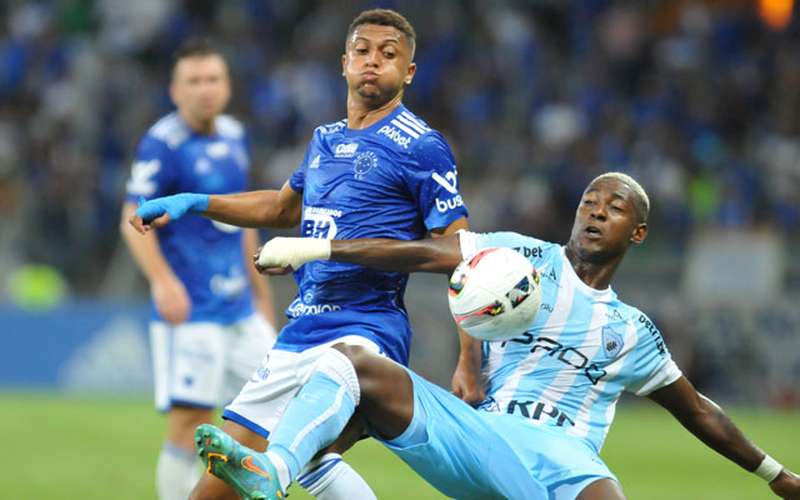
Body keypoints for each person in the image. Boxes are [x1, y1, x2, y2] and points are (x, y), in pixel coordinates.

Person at [193, 172, 800, 500]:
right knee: (352, 362)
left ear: (636, 233)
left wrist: (775, 475)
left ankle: (317, 465)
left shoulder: (632, 331)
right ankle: (277, 467)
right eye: (589, 200)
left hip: (568, 467)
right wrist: (317, 245)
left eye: (612, 207)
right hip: (485, 437)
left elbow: (699, 412)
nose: (594, 210)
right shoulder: (520, 256)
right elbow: (423, 252)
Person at [130, 9, 475, 500]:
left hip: (364, 332)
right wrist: (196, 203)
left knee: (302, 453)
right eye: (362, 51)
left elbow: (460, 252)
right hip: (302, 330)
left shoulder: (422, 146)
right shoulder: (325, 140)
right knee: (226, 487)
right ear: (343, 63)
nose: (373, 62)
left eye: (388, 54)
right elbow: (279, 207)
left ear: (409, 72)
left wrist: (469, 356)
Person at [120, 38, 279, 500]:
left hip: (239, 309)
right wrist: (163, 282)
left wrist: (261, 297)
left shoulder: (233, 135)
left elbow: (243, 217)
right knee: (190, 422)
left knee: (276, 409)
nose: (205, 90)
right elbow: (132, 218)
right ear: (175, 90)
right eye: (194, 81)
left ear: (227, 86)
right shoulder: (163, 144)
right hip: (190, 310)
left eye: (213, 79)